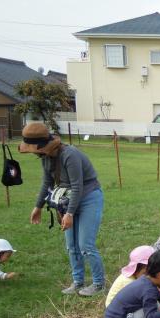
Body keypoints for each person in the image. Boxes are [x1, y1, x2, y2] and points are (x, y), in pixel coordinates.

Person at [20, 122, 105, 296]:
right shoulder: (46, 158)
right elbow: (47, 183)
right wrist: (38, 206)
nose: (32, 152)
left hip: (89, 198)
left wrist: (69, 213)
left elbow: (77, 186)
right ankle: (78, 281)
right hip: (68, 200)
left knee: (85, 244)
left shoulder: (69, 155)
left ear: (42, 145)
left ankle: (99, 284)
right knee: (71, 245)